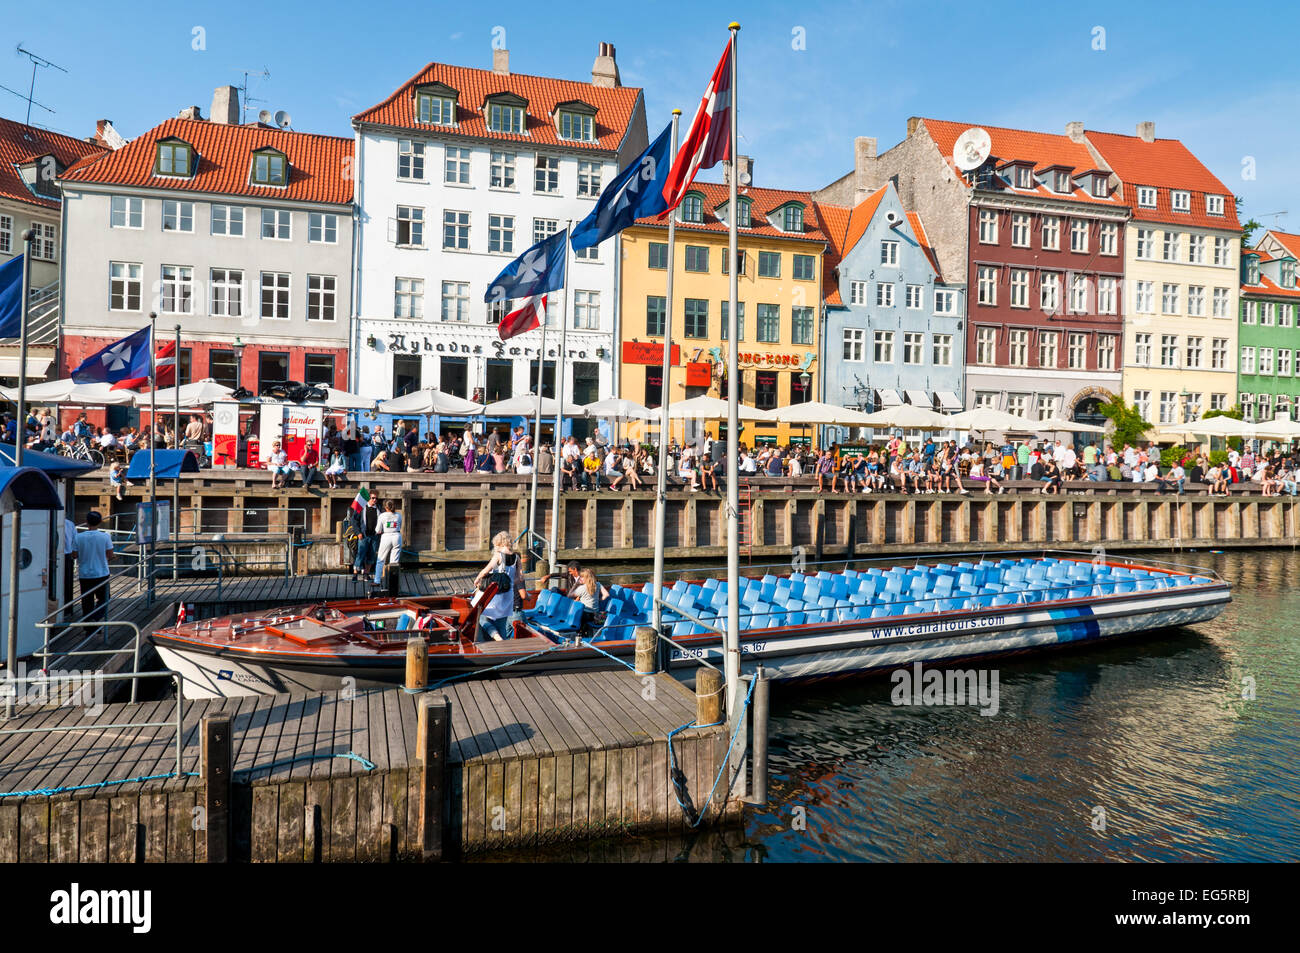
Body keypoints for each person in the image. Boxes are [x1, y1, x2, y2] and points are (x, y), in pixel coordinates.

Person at [474, 531, 523, 642]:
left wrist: (477, 580)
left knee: (481, 618)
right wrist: (509, 583)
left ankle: (496, 636)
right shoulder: (516, 557)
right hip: (508, 595)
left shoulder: (498, 555)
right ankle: (503, 647)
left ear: (498, 543)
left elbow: (485, 571)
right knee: (502, 624)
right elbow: (520, 578)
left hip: (495, 594)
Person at [73, 510, 114, 638]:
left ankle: (89, 627)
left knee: (87, 601)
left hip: (85, 573)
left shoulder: (78, 537)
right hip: (101, 572)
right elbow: (110, 555)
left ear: (86, 522)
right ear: (100, 522)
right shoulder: (105, 536)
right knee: (104, 598)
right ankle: (95, 619)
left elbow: (74, 555)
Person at [373, 499, 402, 588]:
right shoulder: (398, 515)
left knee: (380, 560)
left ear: (385, 507)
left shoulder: (382, 516)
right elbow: (399, 525)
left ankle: (377, 581)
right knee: (394, 561)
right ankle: (393, 582)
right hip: (397, 536)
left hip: (386, 536)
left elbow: (378, 530)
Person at [351, 492, 380, 580]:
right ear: (369, 498)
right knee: (360, 555)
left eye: (376, 498)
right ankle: (355, 574)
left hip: (374, 536)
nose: (374, 500)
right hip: (363, 536)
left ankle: (366, 574)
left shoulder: (379, 509)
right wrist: (358, 532)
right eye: (373, 498)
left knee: (371, 556)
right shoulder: (361, 508)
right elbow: (354, 521)